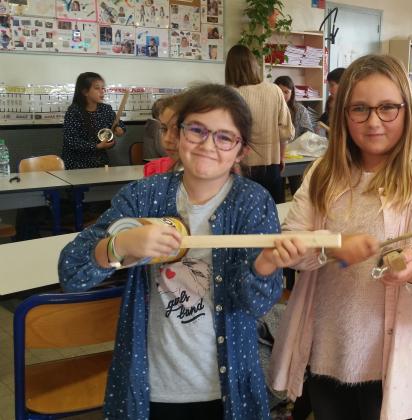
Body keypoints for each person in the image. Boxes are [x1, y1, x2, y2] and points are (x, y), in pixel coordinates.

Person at [58, 84, 284, 419]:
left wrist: (264, 266)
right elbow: (72, 272)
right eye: (197, 131)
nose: (208, 145)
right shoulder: (144, 195)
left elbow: (257, 304)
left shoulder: (252, 203)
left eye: (225, 137)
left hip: (228, 386)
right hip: (152, 386)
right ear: (177, 135)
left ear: (241, 150)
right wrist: (119, 244)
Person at [269, 54, 412, 420]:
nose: (373, 122)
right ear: (343, 114)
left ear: (406, 110)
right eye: (360, 109)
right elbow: (293, 244)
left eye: (387, 108)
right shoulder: (324, 171)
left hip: (390, 356)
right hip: (326, 344)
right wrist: (330, 246)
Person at [225, 44, 294, 203]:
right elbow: (285, 131)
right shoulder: (275, 90)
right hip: (272, 165)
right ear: (254, 64)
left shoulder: (230, 94)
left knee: (245, 218)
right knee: (273, 212)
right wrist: (281, 157)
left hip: (241, 168)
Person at [61, 72, 124, 169]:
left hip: (100, 163)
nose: (102, 92)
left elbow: (119, 124)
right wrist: (97, 146)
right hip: (76, 165)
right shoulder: (74, 111)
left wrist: (119, 129)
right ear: (85, 92)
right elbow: (71, 141)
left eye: (103, 88)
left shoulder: (106, 109)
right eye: (97, 88)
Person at [143, 94, 181, 176]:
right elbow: (162, 151)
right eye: (164, 129)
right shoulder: (155, 125)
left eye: (177, 130)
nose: (166, 139)